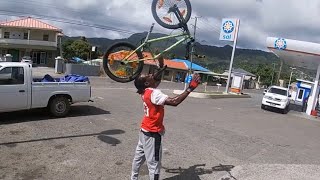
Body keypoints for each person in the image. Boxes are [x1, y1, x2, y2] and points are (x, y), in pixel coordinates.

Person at [130, 58, 201, 180]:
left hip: (144, 131)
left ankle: (133, 178)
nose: (151, 74)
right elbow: (174, 102)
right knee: (154, 165)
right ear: (147, 83)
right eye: (148, 75)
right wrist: (190, 88)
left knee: (138, 158)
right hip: (152, 133)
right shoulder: (154, 93)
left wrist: (160, 68)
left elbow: (155, 80)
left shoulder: (145, 91)